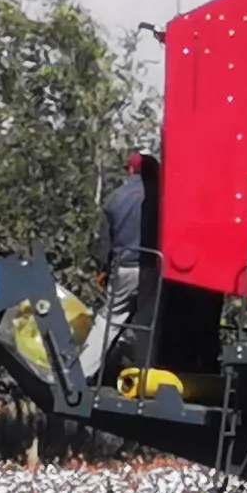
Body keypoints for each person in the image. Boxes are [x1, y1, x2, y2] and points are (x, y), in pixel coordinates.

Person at [84, 153, 152, 382]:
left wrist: (104, 270)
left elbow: (106, 242)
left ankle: (82, 372)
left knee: (108, 321)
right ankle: (149, 376)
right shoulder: (162, 196)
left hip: (124, 267)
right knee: (149, 322)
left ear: (130, 171)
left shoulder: (115, 198)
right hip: (152, 268)